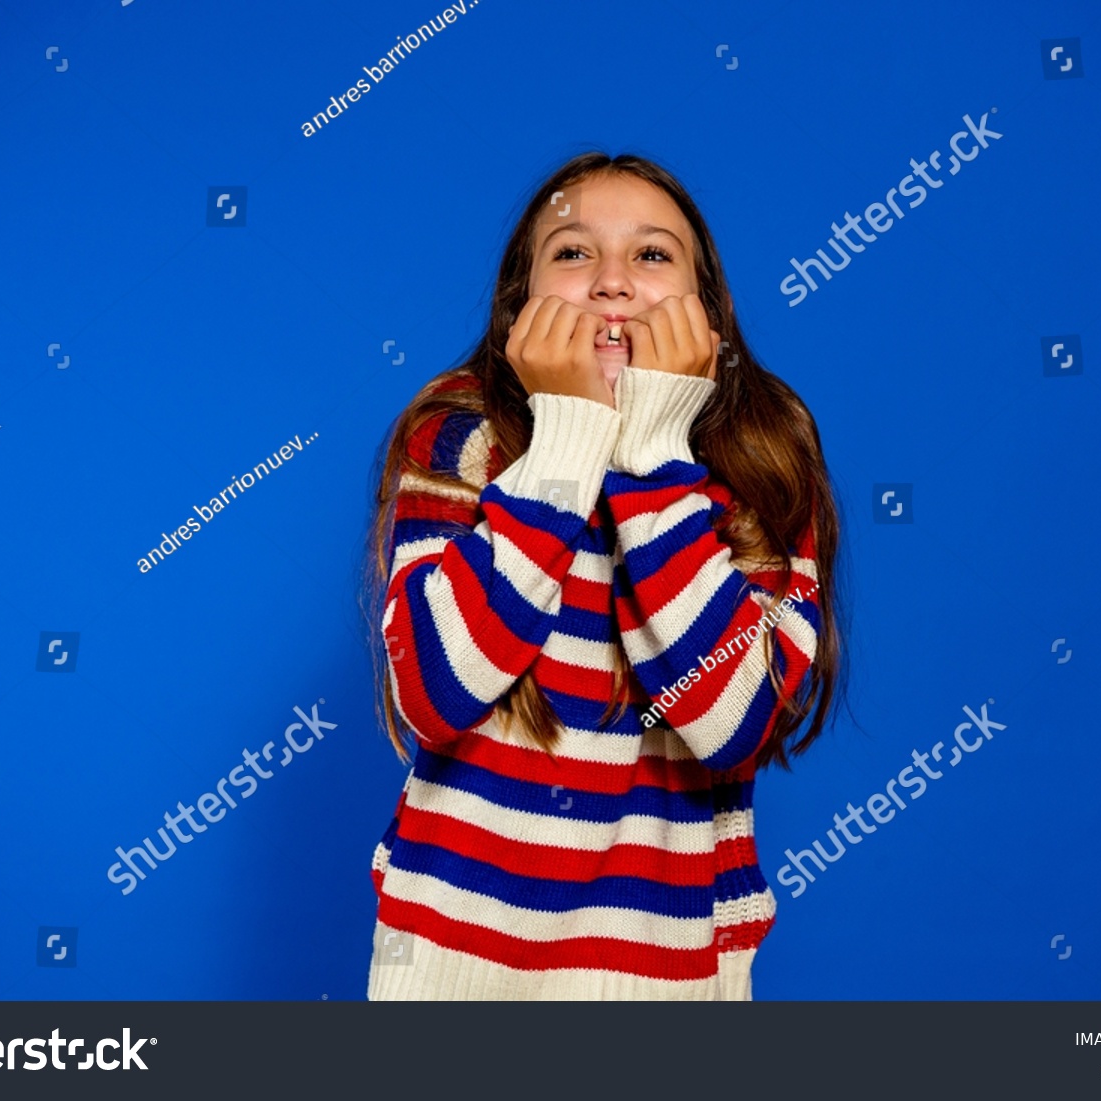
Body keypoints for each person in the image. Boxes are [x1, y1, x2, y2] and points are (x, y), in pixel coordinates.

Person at [362, 151, 846, 999]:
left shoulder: (763, 451)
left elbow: (734, 721)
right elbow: (431, 691)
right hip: (447, 959)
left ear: (711, 311)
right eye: (574, 252)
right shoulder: (460, 433)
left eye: (653, 255)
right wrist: (568, 436)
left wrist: (654, 448)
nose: (613, 283)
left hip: (667, 967)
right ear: (522, 304)